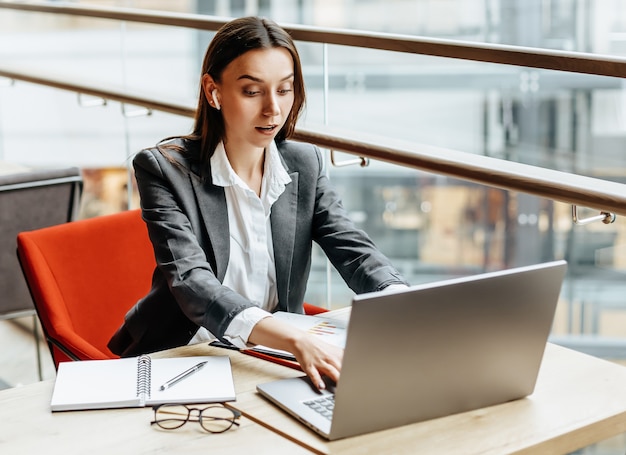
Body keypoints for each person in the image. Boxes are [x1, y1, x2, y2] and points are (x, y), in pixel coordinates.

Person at [108, 16, 408, 390]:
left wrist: (401, 302)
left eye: (284, 90)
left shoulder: (305, 164)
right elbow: (192, 283)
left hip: (272, 358)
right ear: (213, 91)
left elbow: (352, 248)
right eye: (252, 92)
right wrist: (294, 340)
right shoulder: (164, 170)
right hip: (184, 354)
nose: (273, 110)